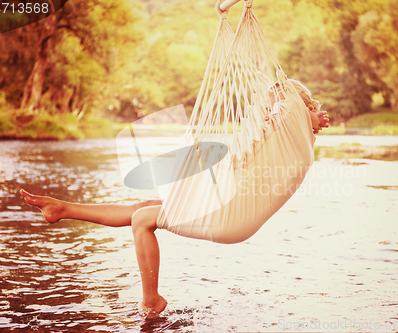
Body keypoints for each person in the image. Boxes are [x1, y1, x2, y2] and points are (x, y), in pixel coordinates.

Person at [20, 81, 329, 318]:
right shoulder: (290, 138)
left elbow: (288, 102)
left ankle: (151, 300)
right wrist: (307, 112)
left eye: (275, 103)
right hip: (230, 204)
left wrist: (303, 107)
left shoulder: (294, 133)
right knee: (144, 209)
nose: (269, 107)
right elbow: (287, 108)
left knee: (143, 221)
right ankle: (61, 209)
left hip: (234, 216)